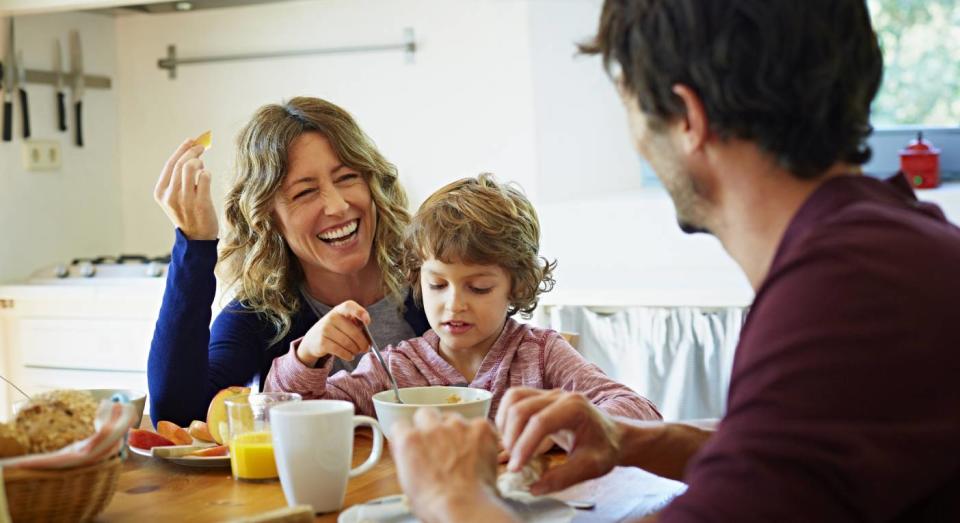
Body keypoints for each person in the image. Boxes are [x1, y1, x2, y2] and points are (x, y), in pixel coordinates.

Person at [390, 0, 960, 521]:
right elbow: (791, 448)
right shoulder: (890, 249)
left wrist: (452, 498)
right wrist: (632, 439)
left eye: (630, 106)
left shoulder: (843, 300)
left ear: (688, 117)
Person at [265, 174, 660, 426]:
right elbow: (286, 414)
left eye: (479, 288)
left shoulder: (540, 356)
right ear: (417, 279)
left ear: (516, 286)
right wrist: (309, 356)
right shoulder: (398, 368)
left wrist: (569, 423)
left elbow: (639, 412)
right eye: (438, 286)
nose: (454, 305)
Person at [148, 97, 429, 427]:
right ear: (269, 218)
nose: (337, 206)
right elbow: (179, 416)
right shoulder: (260, 316)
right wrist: (195, 245)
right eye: (305, 192)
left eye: (347, 177)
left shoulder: (436, 287)